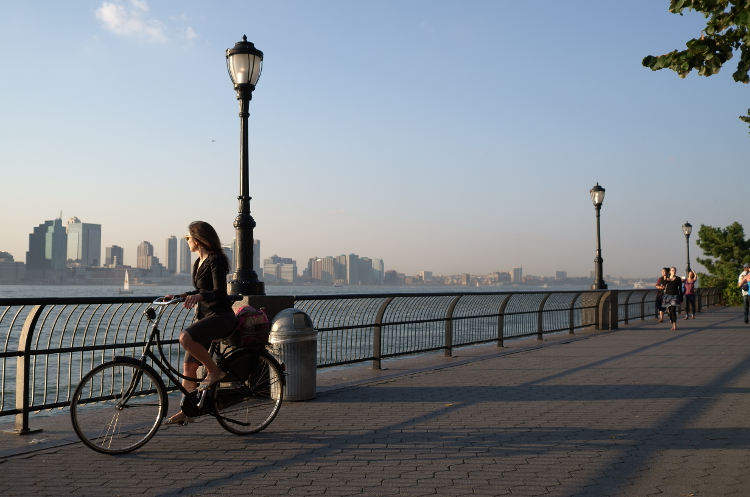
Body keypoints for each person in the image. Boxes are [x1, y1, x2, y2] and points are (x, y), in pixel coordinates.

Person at [163, 221, 236, 425]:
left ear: (198, 239)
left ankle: (214, 371)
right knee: (188, 367)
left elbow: (220, 293)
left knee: (185, 337)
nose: (187, 242)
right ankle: (188, 411)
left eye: (188, 238)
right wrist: (180, 296)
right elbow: (200, 290)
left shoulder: (216, 260)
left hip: (221, 316)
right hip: (205, 317)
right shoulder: (198, 262)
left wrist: (201, 297)